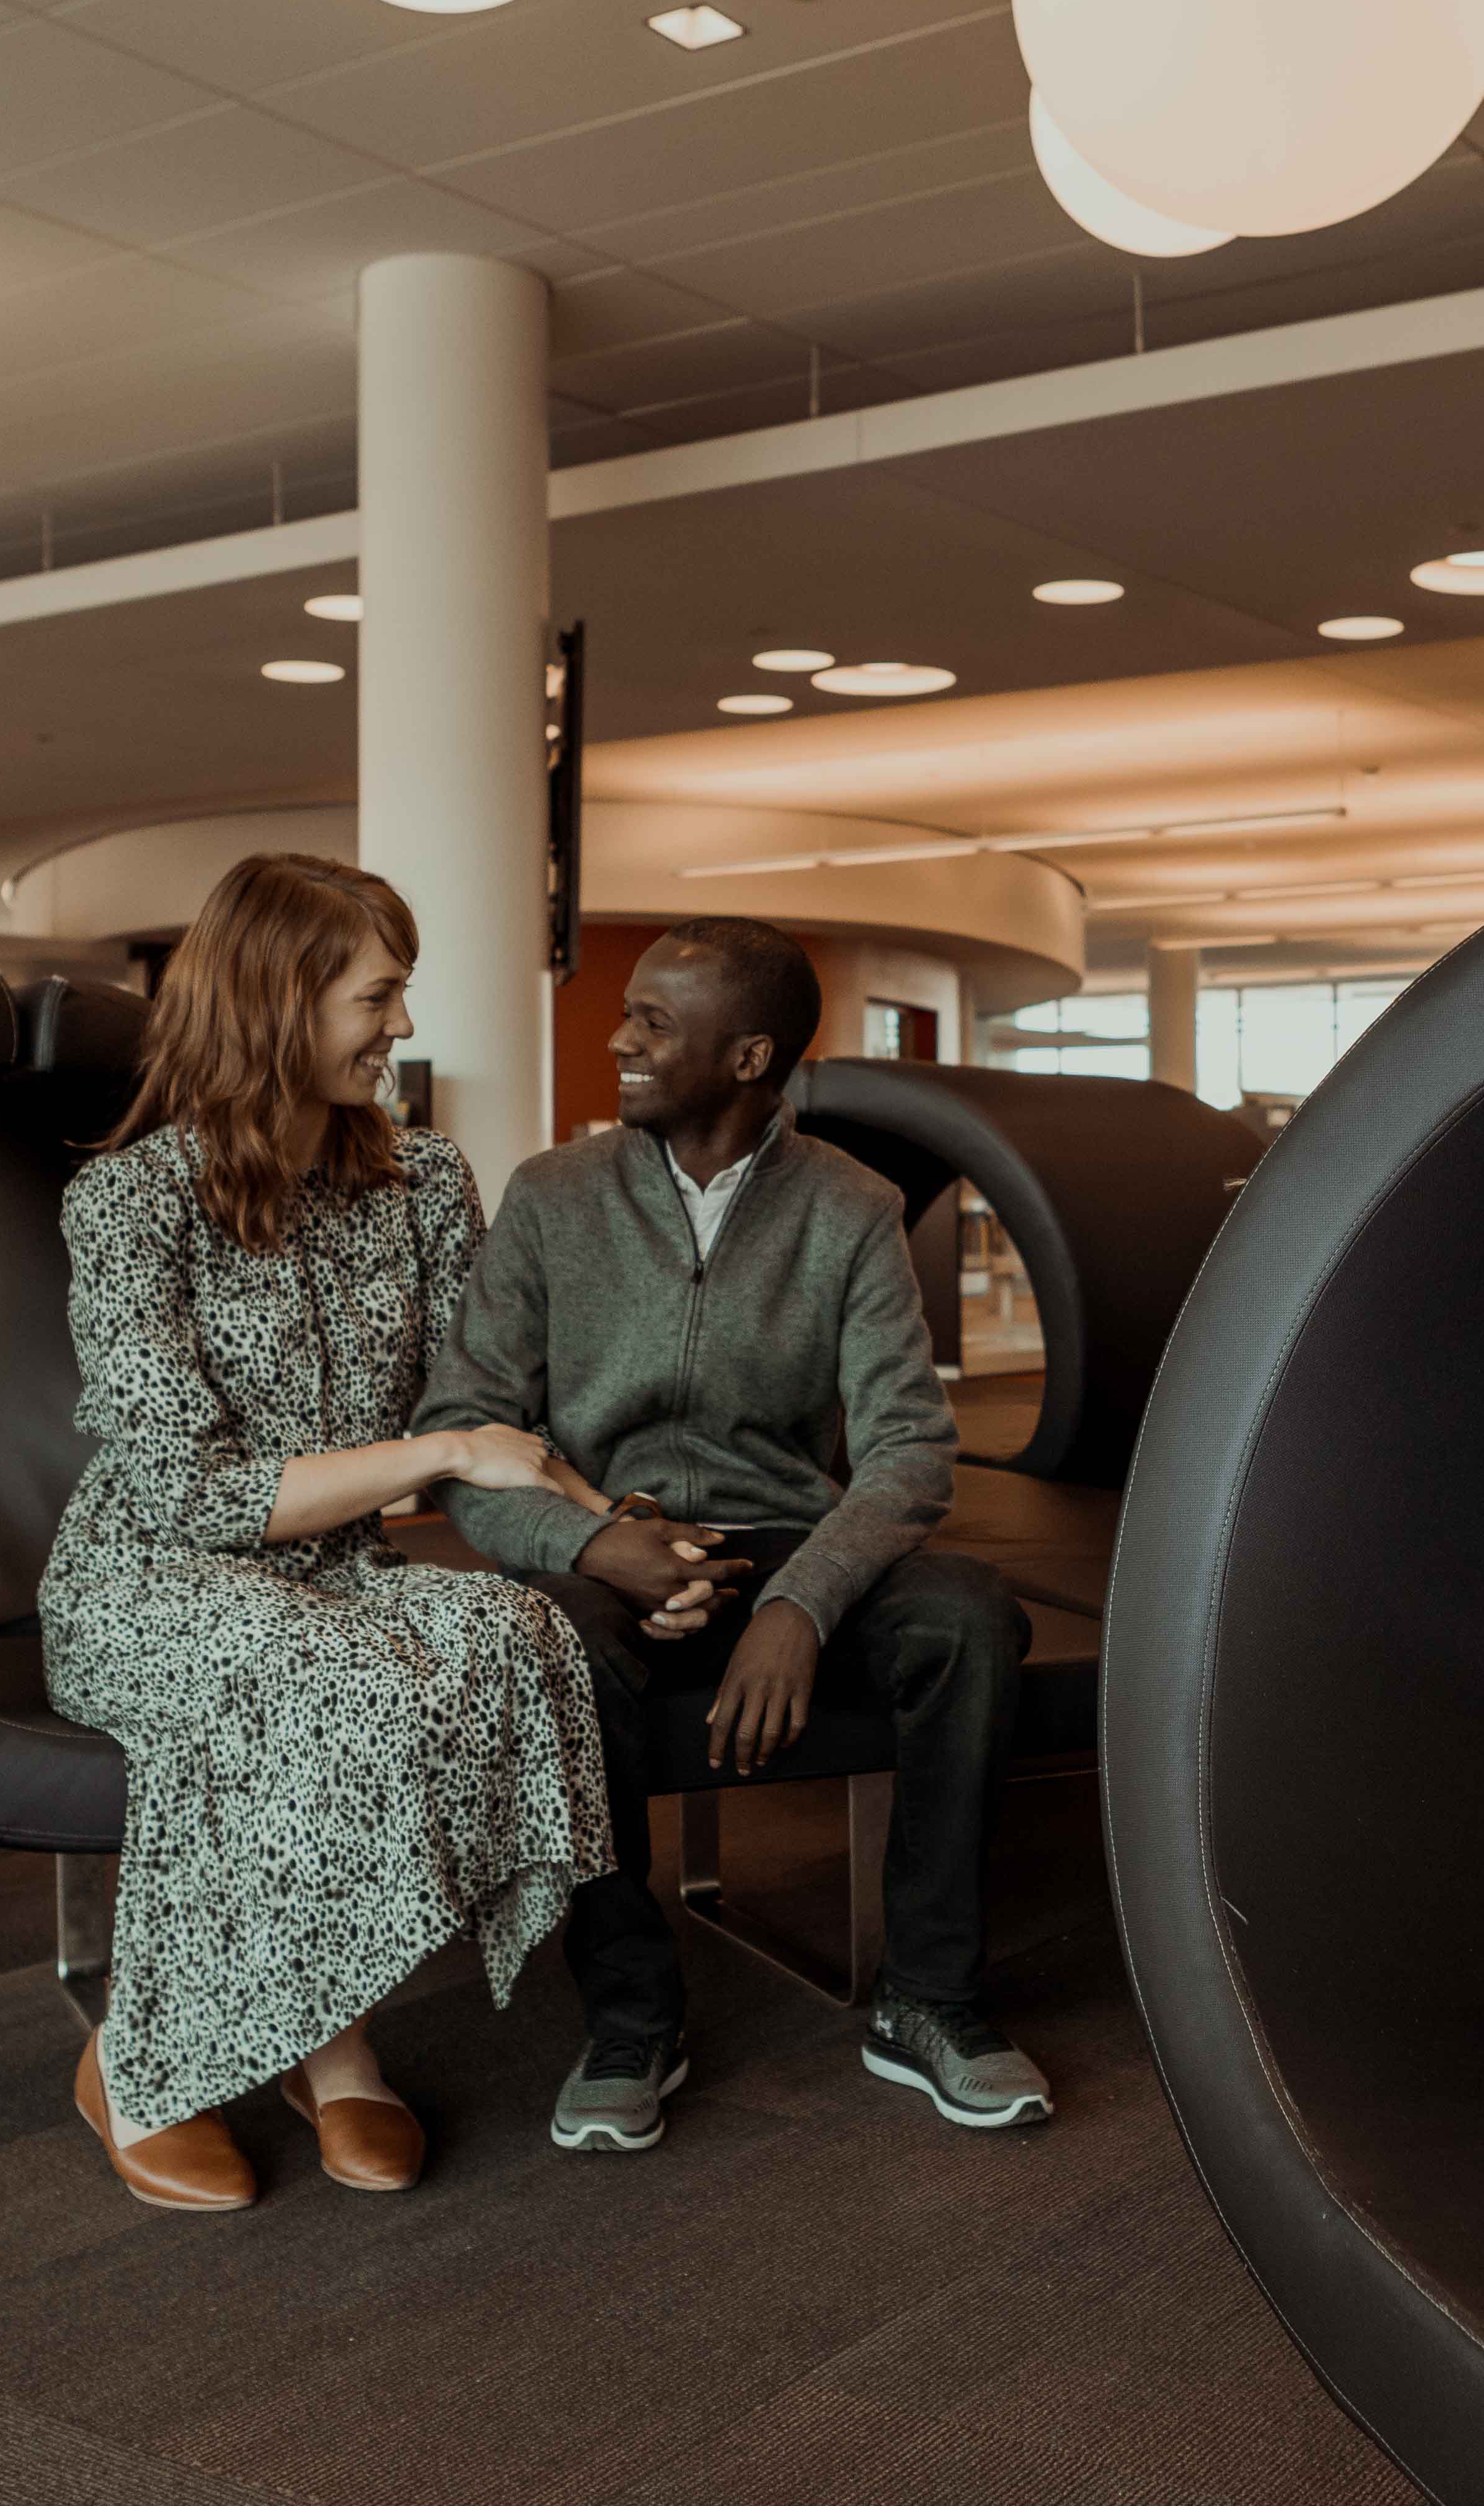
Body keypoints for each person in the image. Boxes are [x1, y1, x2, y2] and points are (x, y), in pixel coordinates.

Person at [39, 852, 623, 2213]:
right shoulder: (129, 1204)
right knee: (318, 1672)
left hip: (331, 1565)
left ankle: (312, 2029)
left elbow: (488, 1400)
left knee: (506, 1630)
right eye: (381, 993)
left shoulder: (422, 1181)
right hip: (151, 1576)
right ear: (276, 1000)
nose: (403, 1026)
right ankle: (158, 2059)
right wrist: (435, 1451)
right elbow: (189, 1491)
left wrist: (605, 1506)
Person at [416, 917, 1051, 2151]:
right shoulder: (552, 1197)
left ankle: (929, 1998)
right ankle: (631, 2015)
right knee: (556, 1647)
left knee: (971, 1623)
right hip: (606, 1543)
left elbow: (911, 1451)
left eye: (655, 1018)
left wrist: (797, 1603)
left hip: (784, 1546)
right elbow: (460, 1428)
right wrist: (591, 1544)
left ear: (751, 1053)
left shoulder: (852, 1208)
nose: (619, 1034)